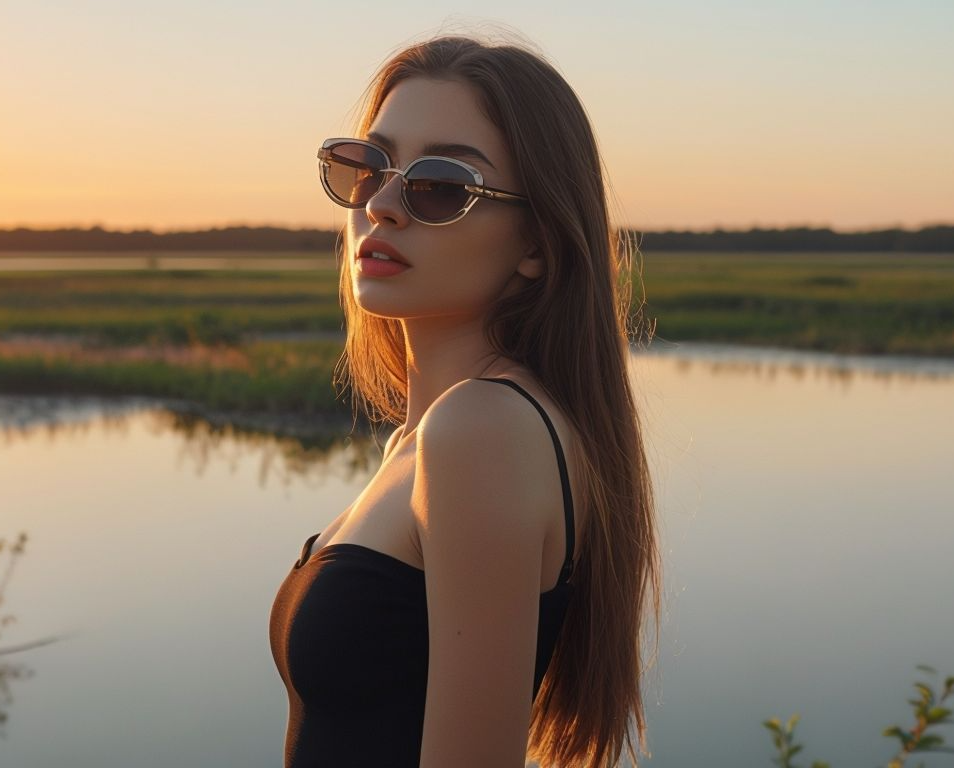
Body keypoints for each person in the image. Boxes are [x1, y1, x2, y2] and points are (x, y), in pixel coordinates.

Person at [269, 31, 661, 768]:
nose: (382, 204)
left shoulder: (483, 430)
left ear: (537, 242)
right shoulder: (431, 434)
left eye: (441, 185)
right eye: (367, 167)